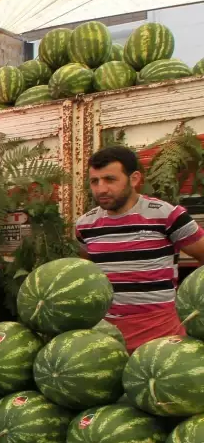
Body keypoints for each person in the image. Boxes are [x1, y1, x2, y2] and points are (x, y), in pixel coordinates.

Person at [77, 146, 204, 351]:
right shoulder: (85, 225)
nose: (101, 189)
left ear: (134, 179)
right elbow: (86, 274)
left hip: (162, 334)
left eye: (110, 179)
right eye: (95, 181)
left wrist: (194, 304)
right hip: (107, 337)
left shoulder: (167, 215)